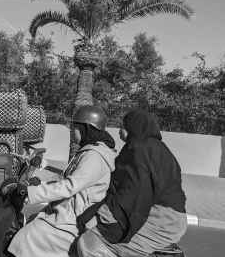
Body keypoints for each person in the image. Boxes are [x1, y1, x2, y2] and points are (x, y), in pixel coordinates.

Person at [7, 106, 117, 257]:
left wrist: (31, 192)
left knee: (27, 236)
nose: (72, 131)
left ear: (87, 129)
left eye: (76, 127)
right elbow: (68, 178)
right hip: (68, 209)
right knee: (32, 219)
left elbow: (70, 186)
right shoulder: (89, 150)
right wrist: (40, 185)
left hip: (75, 218)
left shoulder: (95, 156)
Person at [77, 109, 187, 257]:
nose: (120, 131)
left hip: (159, 221)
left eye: (124, 126)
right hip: (175, 220)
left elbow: (135, 192)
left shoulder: (137, 150)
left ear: (134, 127)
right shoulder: (160, 149)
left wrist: (103, 216)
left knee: (90, 242)